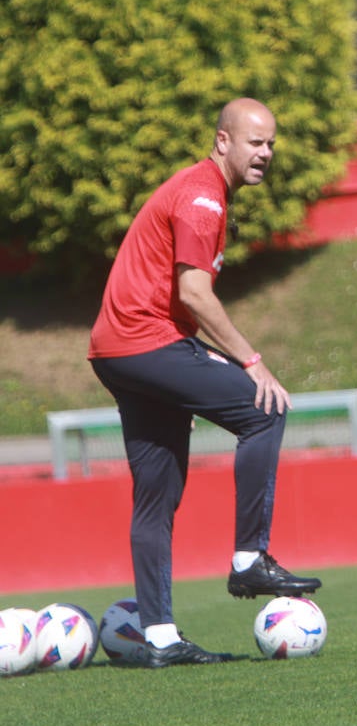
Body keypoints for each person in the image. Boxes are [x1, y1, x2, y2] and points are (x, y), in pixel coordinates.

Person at [88, 98, 321, 668]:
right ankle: (249, 558)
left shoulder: (202, 192)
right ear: (223, 142)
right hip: (147, 342)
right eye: (254, 142)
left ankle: (161, 640)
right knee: (264, 408)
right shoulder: (201, 196)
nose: (265, 153)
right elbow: (194, 295)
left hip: (118, 351)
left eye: (270, 143)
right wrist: (251, 361)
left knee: (156, 495)